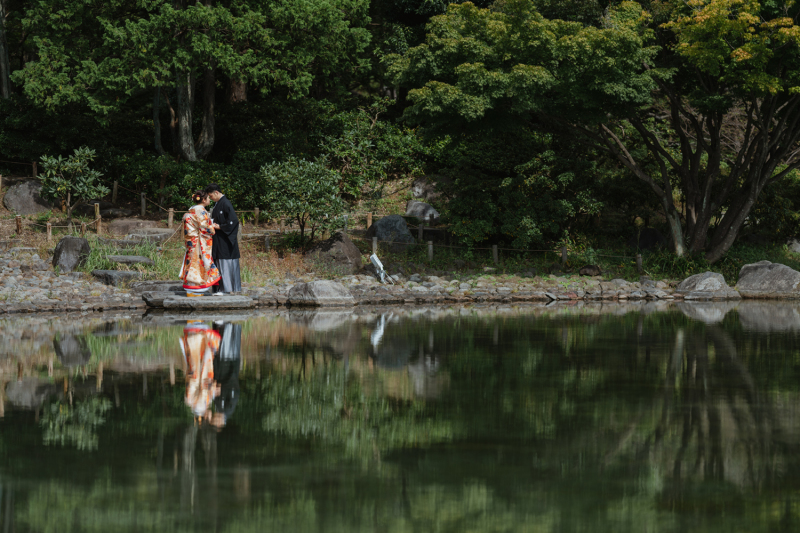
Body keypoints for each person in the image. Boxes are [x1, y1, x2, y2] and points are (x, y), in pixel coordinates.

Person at [180, 191, 221, 296]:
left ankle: (190, 288)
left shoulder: (192, 210)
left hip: (191, 241)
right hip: (198, 242)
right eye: (208, 198)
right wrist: (212, 227)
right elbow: (204, 228)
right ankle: (196, 288)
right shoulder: (201, 211)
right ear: (203, 200)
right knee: (199, 264)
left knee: (191, 263)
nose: (209, 200)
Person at [179, 321, 221, 422]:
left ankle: (198, 330)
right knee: (193, 356)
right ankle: (193, 331)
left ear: (205, 417)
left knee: (202, 352)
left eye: (210, 417)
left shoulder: (201, 406)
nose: (211, 414)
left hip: (199, 374)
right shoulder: (190, 403)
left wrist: (213, 388)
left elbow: (205, 389)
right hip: (193, 374)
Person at [205, 183, 241, 294]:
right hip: (219, 239)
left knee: (224, 263)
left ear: (216, 192)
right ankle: (220, 289)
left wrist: (220, 227)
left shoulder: (225, 203)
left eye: (211, 196)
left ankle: (226, 289)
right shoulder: (218, 204)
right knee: (218, 263)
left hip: (225, 240)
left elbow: (233, 221)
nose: (210, 198)